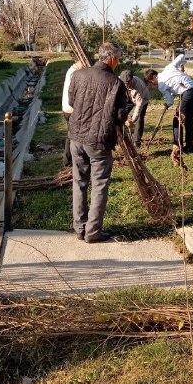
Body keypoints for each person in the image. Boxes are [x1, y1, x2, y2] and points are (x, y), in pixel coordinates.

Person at [68, 42, 129, 243]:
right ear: (111, 58)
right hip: (99, 141)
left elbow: (71, 101)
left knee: (79, 182)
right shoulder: (116, 83)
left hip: (76, 138)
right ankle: (93, 232)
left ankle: (80, 227)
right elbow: (120, 116)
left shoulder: (78, 75)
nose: (118, 62)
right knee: (99, 185)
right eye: (118, 58)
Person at [144, 52, 193, 163]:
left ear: (154, 77)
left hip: (187, 93)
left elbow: (169, 100)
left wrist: (167, 104)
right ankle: (189, 147)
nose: (153, 84)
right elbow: (181, 56)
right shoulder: (168, 68)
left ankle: (177, 146)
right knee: (188, 121)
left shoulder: (160, 84)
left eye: (152, 81)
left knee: (177, 120)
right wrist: (182, 65)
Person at [118, 69, 150, 149]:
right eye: (124, 83)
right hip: (128, 98)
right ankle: (120, 138)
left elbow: (139, 105)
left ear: (132, 79)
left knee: (139, 118)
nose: (126, 85)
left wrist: (132, 120)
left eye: (128, 82)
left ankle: (136, 142)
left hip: (142, 99)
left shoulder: (138, 86)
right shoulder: (118, 81)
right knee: (120, 115)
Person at [61, 59, 83, 167]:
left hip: (67, 108)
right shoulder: (74, 73)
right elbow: (73, 93)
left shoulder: (71, 70)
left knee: (71, 134)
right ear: (78, 60)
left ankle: (69, 159)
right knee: (72, 135)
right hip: (71, 109)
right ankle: (68, 160)